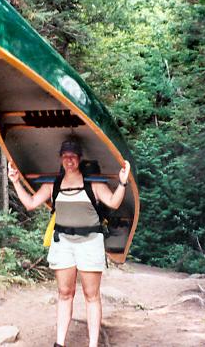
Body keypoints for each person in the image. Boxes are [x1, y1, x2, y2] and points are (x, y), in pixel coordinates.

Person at [8, 139, 130, 347]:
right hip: (63, 243)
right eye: (65, 156)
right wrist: (15, 181)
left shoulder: (93, 182)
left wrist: (123, 183)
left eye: (73, 156)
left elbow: (114, 202)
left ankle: (93, 344)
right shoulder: (53, 184)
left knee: (91, 295)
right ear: (61, 158)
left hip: (90, 243)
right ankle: (59, 343)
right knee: (65, 293)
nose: (69, 160)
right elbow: (30, 204)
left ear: (79, 158)